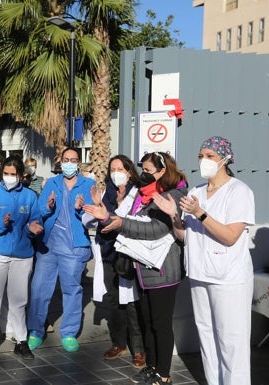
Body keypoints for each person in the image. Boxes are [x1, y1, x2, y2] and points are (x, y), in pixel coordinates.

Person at [153, 136, 254, 385]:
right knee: (207, 339)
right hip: (200, 273)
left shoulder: (239, 191)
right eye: (201, 155)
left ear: (225, 159)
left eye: (210, 156)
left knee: (231, 342)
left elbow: (230, 236)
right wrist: (175, 217)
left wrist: (200, 213)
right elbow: (186, 237)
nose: (203, 160)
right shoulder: (196, 191)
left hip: (228, 278)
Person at [84, 151, 187, 385]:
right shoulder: (144, 195)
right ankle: (152, 366)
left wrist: (120, 222)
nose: (144, 175)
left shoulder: (172, 195)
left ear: (162, 171)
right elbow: (127, 219)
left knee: (160, 324)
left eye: (149, 170)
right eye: (143, 170)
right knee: (147, 321)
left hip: (162, 271)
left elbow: (155, 229)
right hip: (142, 270)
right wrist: (107, 216)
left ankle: (164, 373)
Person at [26, 147, 95, 353]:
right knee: (39, 288)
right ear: (60, 161)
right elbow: (39, 210)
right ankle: (36, 331)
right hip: (49, 245)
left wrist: (82, 207)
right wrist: (48, 206)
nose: (69, 163)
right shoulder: (52, 183)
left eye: (73, 160)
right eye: (66, 159)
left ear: (79, 163)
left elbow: (93, 217)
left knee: (72, 289)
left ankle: (69, 332)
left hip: (73, 246)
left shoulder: (88, 184)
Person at [0, 155, 43, 362]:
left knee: (19, 301)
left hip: (22, 256)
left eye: (13, 174)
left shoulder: (30, 196)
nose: (9, 177)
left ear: (21, 175)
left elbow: (35, 221)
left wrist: (34, 229)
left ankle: (21, 340)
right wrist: (1, 223)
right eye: (6, 174)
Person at [90, 155, 146, 367]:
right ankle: (118, 342)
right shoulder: (107, 193)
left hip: (128, 254)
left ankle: (139, 349)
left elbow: (135, 221)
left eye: (120, 169)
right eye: (112, 169)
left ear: (130, 171)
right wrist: (97, 206)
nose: (116, 173)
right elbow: (98, 218)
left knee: (132, 302)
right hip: (108, 253)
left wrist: (122, 203)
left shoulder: (137, 192)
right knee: (114, 301)